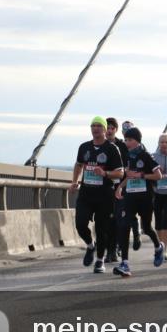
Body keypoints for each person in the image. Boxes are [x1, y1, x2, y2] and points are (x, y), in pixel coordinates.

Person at [71, 117, 125, 274]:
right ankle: (90, 245)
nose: (95, 128)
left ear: (104, 129)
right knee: (80, 224)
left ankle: (100, 260)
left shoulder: (112, 149)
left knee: (101, 230)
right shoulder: (84, 147)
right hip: (86, 193)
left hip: (104, 195)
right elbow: (79, 164)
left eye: (99, 126)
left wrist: (105, 173)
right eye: (93, 126)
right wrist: (74, 181)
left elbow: (120, 173)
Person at [113, 127, 163, 276]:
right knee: (124, 225)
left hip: (145, 197)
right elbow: (129, 176)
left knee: (146, 228)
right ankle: (125, 264)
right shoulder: (127, 156)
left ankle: (158, 246)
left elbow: (158, 175)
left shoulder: (145, 155)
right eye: (125, 140)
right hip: (130, 196)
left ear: (137, 141)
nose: (126, 142)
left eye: (129, 140)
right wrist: (120, 187)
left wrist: (141, 176)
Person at [104, 117, 130, 262]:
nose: (109, 131)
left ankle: (114, 249)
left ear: (116, 130)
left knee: (118, 220)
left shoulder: (122, 146)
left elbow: (127, 167)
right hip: (104, 187)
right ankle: (110, 250)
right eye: (107, 128)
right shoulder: (100, 145)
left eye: (112, 128)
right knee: (107, 220)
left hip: (120, 188)